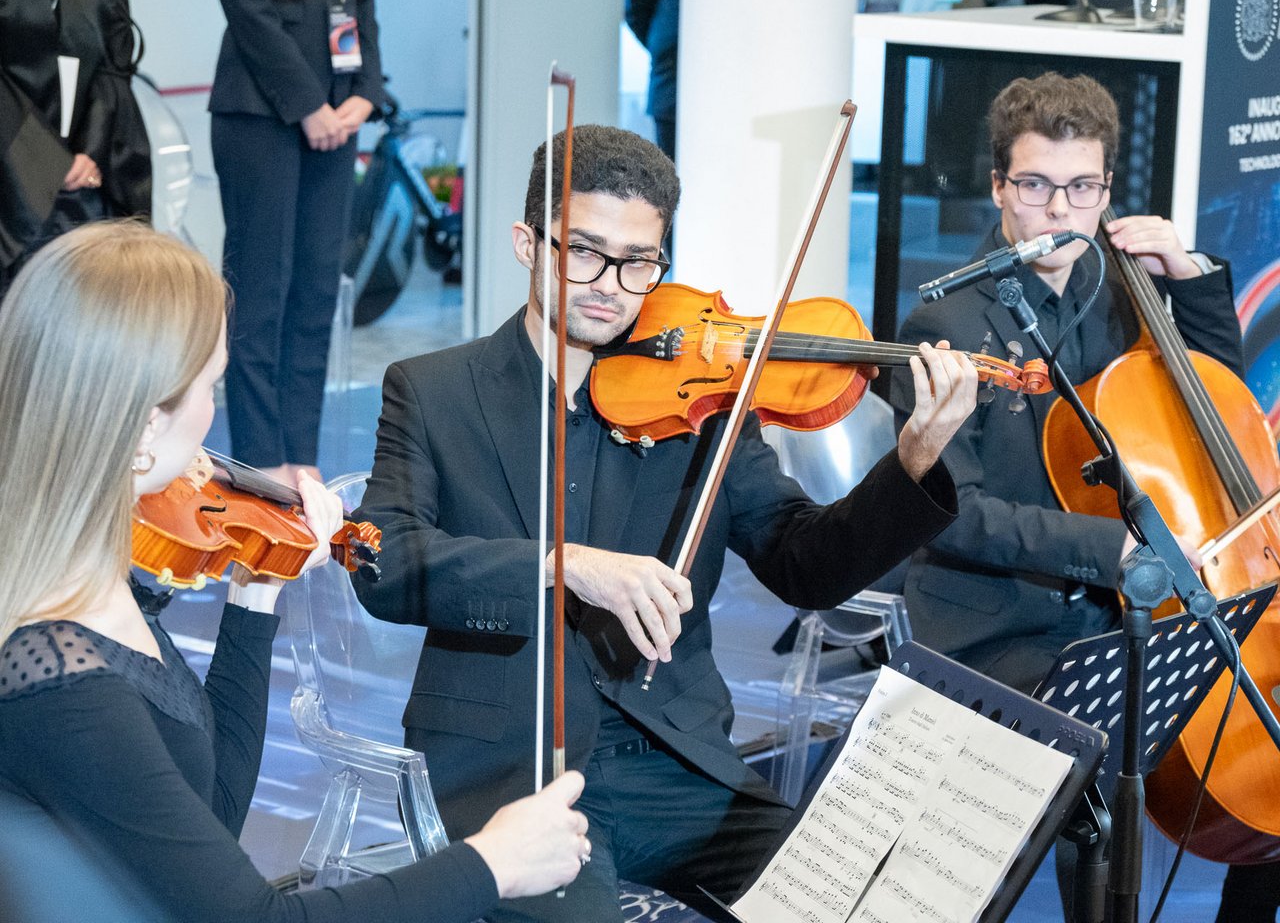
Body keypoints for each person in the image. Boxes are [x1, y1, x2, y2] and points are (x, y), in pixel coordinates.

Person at [353, 123, 978, 923]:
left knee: (850, 901)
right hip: (508, 772)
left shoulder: (707, 402)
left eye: (640, 261)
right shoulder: (432, 389)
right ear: (525, 242)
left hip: (677, 759)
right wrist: (561, 563)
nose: (611, 284)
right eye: (583, 251)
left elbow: (805, 565)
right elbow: (386, 566)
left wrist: (915, 459)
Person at [0, 222, 590, 923]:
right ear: (145, 426)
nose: (213, 432)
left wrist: (255, 597)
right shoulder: (64, 680)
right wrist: (492, 862)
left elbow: (209, 814)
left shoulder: (98, 588)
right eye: (212, 386)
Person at [888, 72, 1274, 922]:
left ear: (1105, 189)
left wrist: (1190, 275)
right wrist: (1114, 552)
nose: (1059, 213)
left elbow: (1213, 404)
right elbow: (957, 514)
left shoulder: (1124, 292)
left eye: (1082, 189)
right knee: (1098, 787)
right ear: (999, 188)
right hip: (1001, 623)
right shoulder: (943, 327)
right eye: (1034, 186)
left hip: (1118, 611)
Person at [209, 0, 385, 485]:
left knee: (316, 292)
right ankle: (261, 461)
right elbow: (248, 9)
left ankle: (300, 454)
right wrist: (308, 104)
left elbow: (360, 5)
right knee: (260, 291)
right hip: (260, 118)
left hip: (338, 120)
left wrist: (367, 92)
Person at [0, 0, 151, 294]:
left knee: (93, 305)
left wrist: (89, 153)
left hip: (87, 185)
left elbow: (113, 61)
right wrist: (49, 163)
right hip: (10, 188)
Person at [624, 0, 679, 164]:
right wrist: (662, 48)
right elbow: (635, 7)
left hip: (719, 92)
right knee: (669, 177)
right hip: (669, 86)